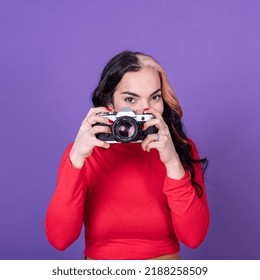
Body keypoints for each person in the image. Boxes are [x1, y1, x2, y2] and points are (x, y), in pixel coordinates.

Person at [45, 50, 210, 260]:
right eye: (131, 99)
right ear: (109, 103)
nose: (144, 109)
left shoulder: (180, 149)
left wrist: (172, 163)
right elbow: (60, 239)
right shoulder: (82, 153)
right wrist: (76, 160)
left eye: (155, 97)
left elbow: (194, 237)